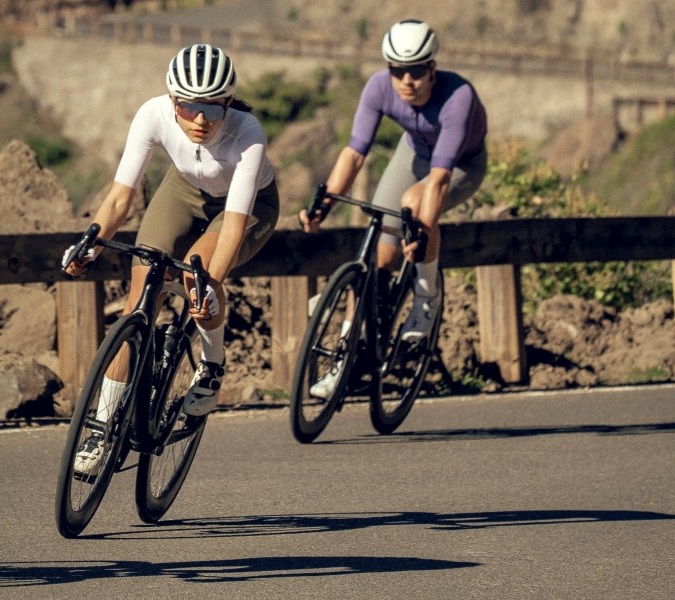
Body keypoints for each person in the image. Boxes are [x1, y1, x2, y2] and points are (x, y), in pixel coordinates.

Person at [63, 44, 279, 475]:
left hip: (246, 205)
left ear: (229, 102)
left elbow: (233, 228)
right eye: (189, 107)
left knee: (196, 270)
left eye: (212, 108)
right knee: (139, 295)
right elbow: (121, 197)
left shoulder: (248, 132)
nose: (200, 120)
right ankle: (102, 424)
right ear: (172, 100)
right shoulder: (153, 114)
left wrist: (207, 289)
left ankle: (212, 364)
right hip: (183, 190)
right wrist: (91, 243)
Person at [298, 18, 488, 400]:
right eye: (398, 70)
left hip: (459, 165)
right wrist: (325, 205)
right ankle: (346, 360)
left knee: (414, 205)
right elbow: (354, 155)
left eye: (417, 71)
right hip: (414, 152)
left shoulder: (458, 97)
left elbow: (437, 181)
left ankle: (426, 297)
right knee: (375, 261)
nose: (407, 81)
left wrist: (419, 232)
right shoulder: (378, 88)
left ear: (432, 68)